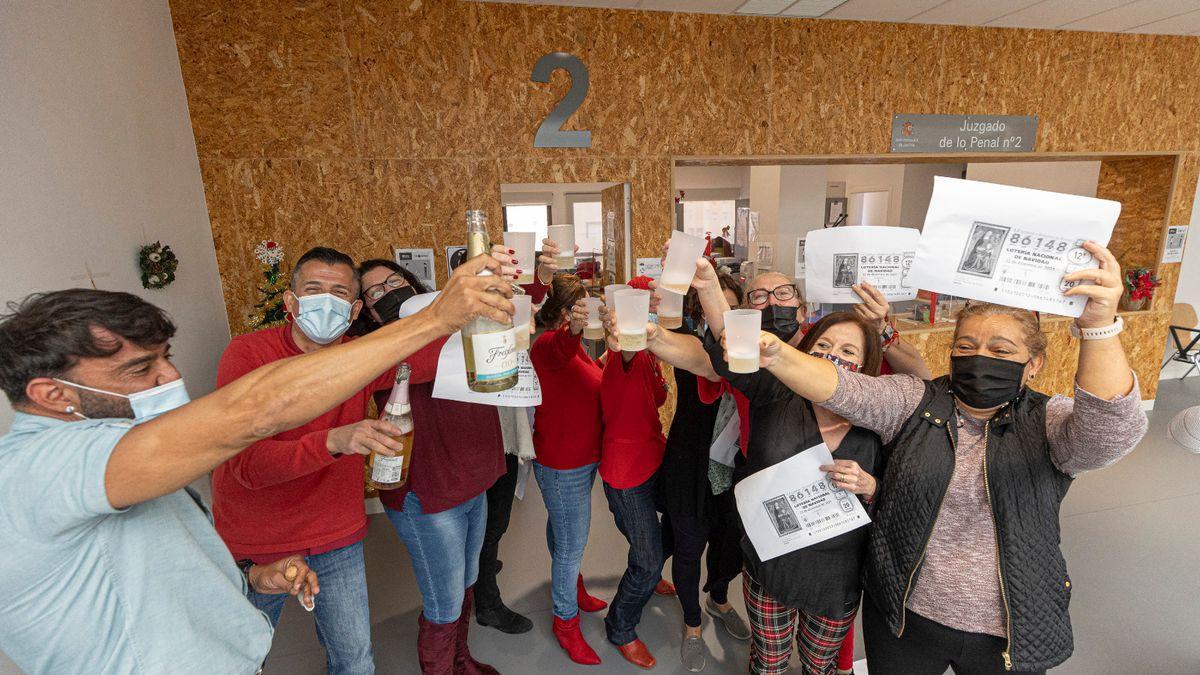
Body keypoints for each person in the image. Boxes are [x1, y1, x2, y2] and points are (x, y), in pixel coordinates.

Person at [0, 253, 511, 674]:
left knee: (354, 659)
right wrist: (434, 316)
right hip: (259, 536)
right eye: (140, 368)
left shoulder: (115, 451)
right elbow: (256, 415)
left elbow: (159, 566)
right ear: (51, 394)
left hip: (295, 558)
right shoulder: (40, 469)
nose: (170, 377)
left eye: (165, 357)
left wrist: (251, 578)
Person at [744, 241, 1148, 674]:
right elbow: (843, 387)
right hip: (903, 617)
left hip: (1008, 628)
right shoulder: (915, 401)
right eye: (966, 346)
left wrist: (1100, 327)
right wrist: (781, 354)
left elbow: (1107, 434)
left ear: (1034, 364)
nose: (980, 359)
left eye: (1001, 351)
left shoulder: (1047, 422)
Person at [211, 246, 394, 674]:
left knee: (355, 660)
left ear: (353, 312)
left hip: (335, 536)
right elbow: (248, 466)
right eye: (314, 290)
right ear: (292, 303)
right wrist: (332, 440)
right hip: (256, 542)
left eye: (338, 293)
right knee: (233, 662)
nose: (325, 302)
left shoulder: (360, 357)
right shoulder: (248, 356)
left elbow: (429, 356)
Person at [708, 310, 886, 675]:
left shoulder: (881, 416)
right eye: (823, 344)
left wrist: (870, 485)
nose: (833, 355)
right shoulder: (776, 393)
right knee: (769, 661)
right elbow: (726, 343)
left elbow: (902, 493)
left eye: (848, 351)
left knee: (818, 665)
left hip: (836, 579)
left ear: (867, 365)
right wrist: (708, 282)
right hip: (771, 567)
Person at [616, 275, 750, 672]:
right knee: (690, 547)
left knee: (729, 543)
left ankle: (719, 598)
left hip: (734, 467)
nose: (717, 316)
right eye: (710, 307)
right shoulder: (690, 340)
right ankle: (693, 626)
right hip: (689, 465)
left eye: (726, 309)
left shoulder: (753, 352)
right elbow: (697, 358)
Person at [528, 274, 609, 665]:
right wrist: (574, 328)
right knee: (571, 545)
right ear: (563, 312)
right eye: (579, 307)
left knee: (560, 530)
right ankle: (565, 622)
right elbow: (561, 349)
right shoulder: (548, 343)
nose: (586, 313)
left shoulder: (576, 350)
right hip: (563, 464)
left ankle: (572, 587)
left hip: (580, 459)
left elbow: (585, 372)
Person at [596, 282, 670, 670]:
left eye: (654, 304)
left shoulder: (650, 354)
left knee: (676, 527)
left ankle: (652, 568)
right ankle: (620, 626)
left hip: (653, 458)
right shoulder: (625, 353)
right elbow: (625, 345)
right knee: (645, 559)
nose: (652, 312)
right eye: (646, 304)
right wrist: (624, 328)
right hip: (626, 473)